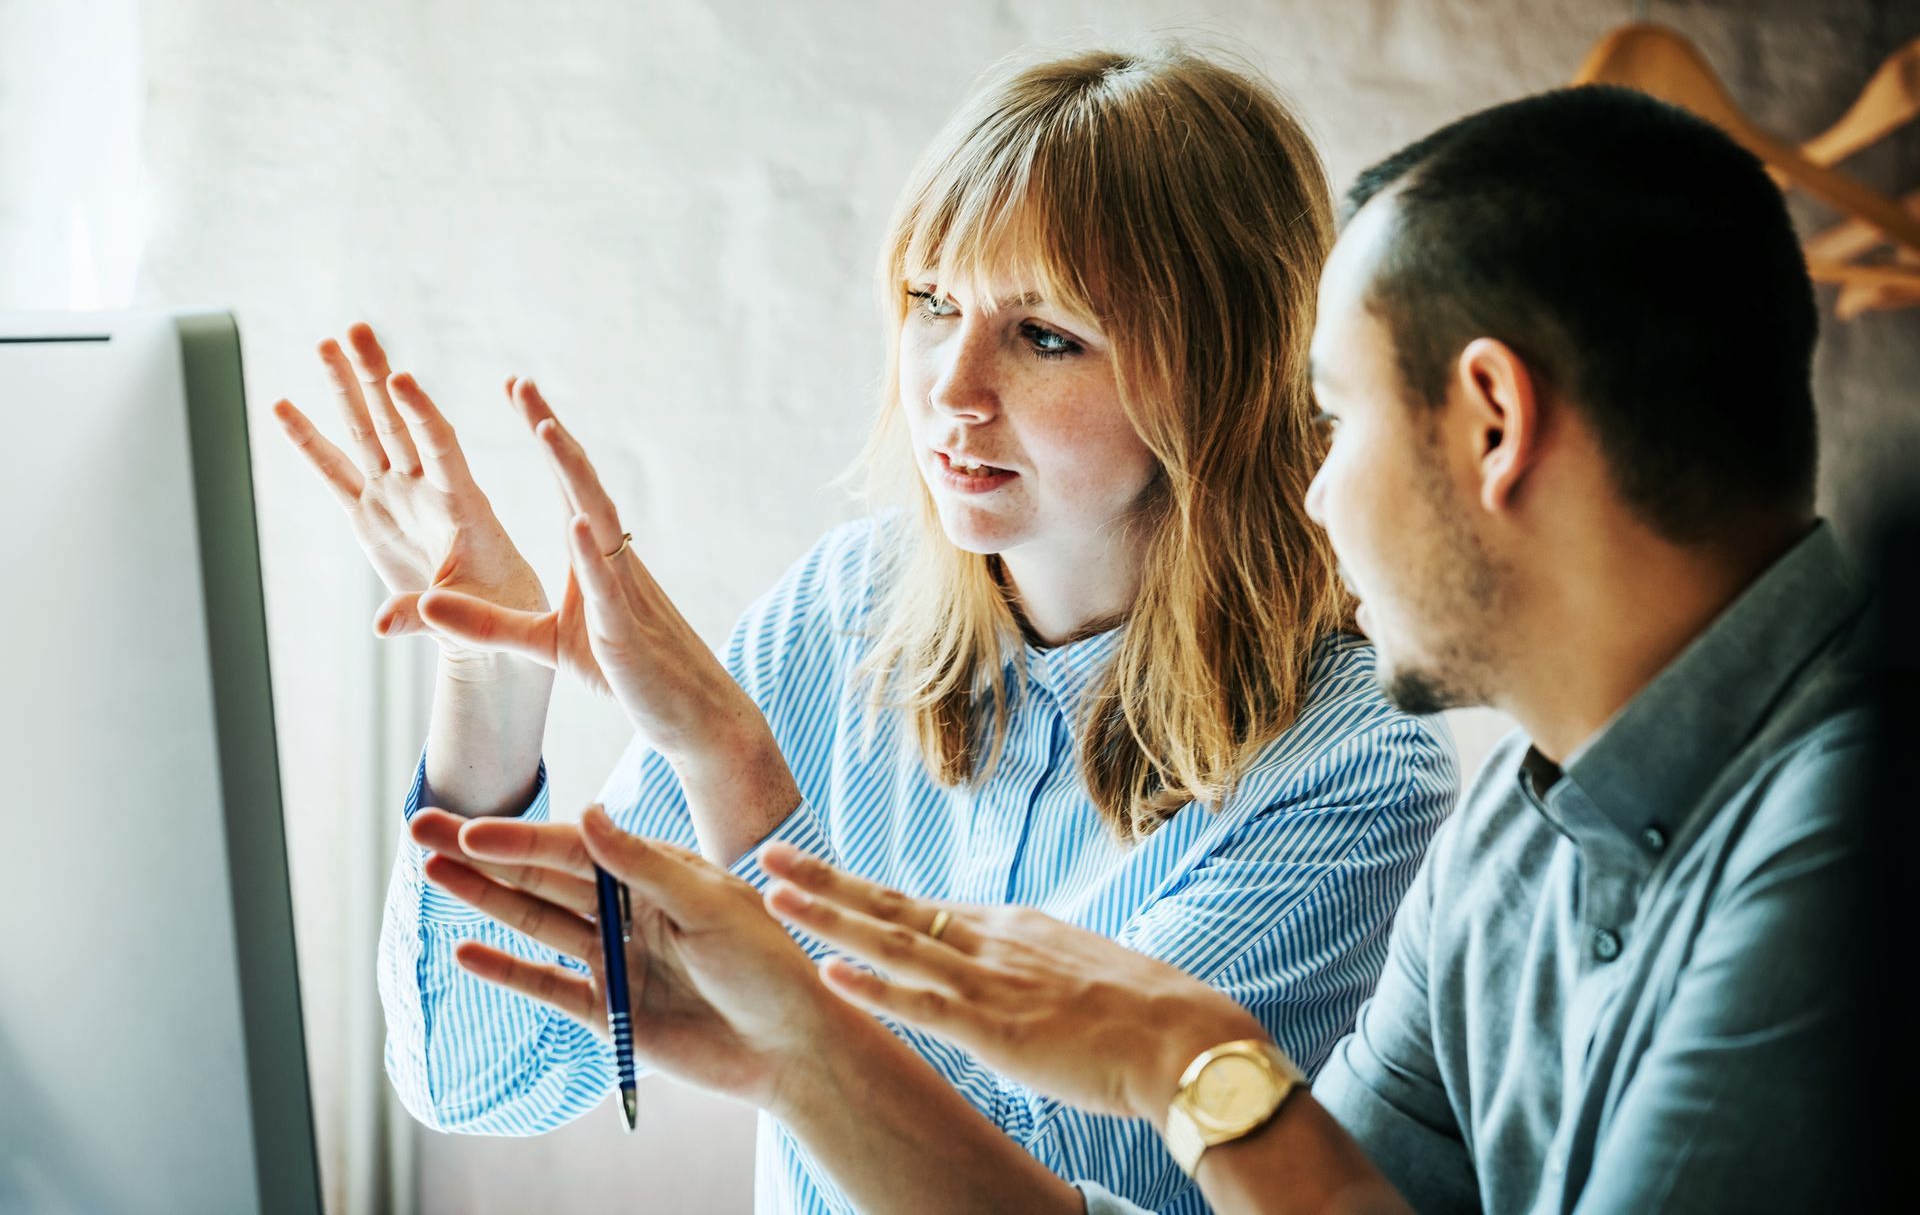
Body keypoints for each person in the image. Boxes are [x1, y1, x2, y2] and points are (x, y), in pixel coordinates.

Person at [409, 82, 1869, 1214]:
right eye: (928, 305)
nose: (1313, 485)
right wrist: (494, 684)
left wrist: (755, 838)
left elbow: (1088, 1152)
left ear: (1493, 423)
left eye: (1339, 418)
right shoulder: (1521, 829)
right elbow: (1317, 1198)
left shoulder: (1843, 843)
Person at [275, 44, 1457, 1214]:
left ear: (1222, 372)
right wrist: (487, 670)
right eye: (931, 303)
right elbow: (486, 1075)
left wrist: (733, 768)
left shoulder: (1354, 763)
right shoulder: (844, 610)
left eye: (1046, 333)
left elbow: (1032, 1179)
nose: (951, 385)